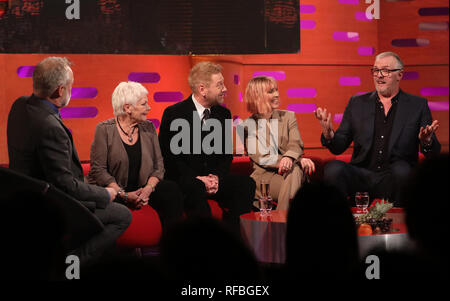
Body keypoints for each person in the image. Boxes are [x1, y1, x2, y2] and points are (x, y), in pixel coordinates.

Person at [7, 57, 131, 267]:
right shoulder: (49, 126)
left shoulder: (20, 105)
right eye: (71, 85)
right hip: (50, 205)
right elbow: (65, 186)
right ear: (60, 90)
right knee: (122, 215)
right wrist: (105, 194)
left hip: (25, 197)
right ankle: (70, 264)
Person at [314, 51, 441, 207]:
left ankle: (400, 223)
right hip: (362, 174)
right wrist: (329, 135)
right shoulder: (357, 103)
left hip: (394, 177)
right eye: (375, 70)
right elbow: (339, 146)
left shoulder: (417, 105)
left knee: (402, 171)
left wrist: (427, 141)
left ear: (399, 75)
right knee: (333, 169)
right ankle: (341, 224)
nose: (379, 75)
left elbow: (433, 152)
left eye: (386, 71)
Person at [158, 61, 255, 235]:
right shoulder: (174, 113)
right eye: (219, 85)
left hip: (213, 179)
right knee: (195, 187)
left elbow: (226, 156)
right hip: (185, 179)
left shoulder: (223, 114)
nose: (225, 89)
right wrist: (198, 179)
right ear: (202, 89)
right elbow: (169, 158)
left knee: (246, 184)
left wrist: (216, 178)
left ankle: (234, 242)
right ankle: (206, 246)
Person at [87, 81, 183, 229]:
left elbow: (159, 166)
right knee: (109, 200)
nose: (148, 108)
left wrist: (148, 189)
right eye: (144, 104)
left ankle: (172, 245)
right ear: (128, 108)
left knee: (170, 190)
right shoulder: (104, 130)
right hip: (114, 190)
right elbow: (99, 171)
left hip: (143, 188)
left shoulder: (148, 127)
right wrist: (124, 195)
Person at [241, 76, 315, 211]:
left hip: (291, 175)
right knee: (297, 172)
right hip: (265, 178)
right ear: (257, 96)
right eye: (270, 91)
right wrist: (296, 160)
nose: (276, 94)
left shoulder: (289, 117)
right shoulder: (247, 125)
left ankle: (282, 223)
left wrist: (290, 158)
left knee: (295, 172)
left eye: (276, 90)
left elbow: (295, 144)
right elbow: (263, 157)